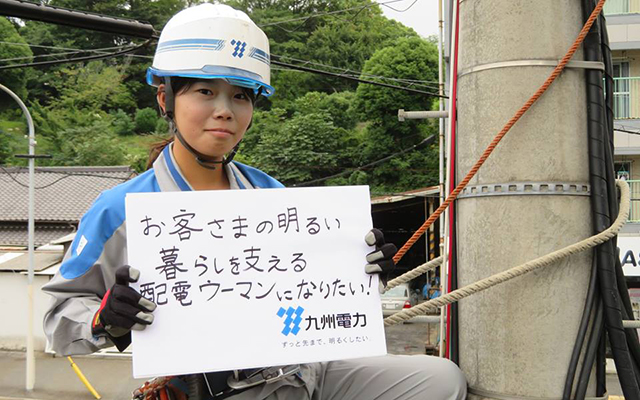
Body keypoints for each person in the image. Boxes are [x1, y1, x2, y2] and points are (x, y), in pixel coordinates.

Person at [42, 4, 467, 400]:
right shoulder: (120, 208)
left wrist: (366, 276)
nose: (225, 110)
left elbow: (317, 297)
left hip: (305, 370)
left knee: (441, 380)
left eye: (241, 96)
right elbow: (58, 321)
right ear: (165, 98)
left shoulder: (272, 197)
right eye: (205, 91)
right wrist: (104, 318)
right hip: (212, 389)